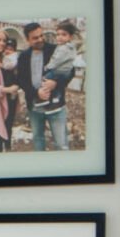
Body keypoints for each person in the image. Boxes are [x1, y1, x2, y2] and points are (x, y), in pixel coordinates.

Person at [11, 21, 75, 152]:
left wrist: (56, 83)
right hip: (35, 108)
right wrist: (36, 93)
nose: (40, 39)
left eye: (41, 35)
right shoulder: (23, 56)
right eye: (35, 38)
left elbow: (70, 71)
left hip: (56, 107)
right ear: (27, 40)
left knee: (61, 144)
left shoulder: (55, 49)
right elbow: (21, 80)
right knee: (38, 140)